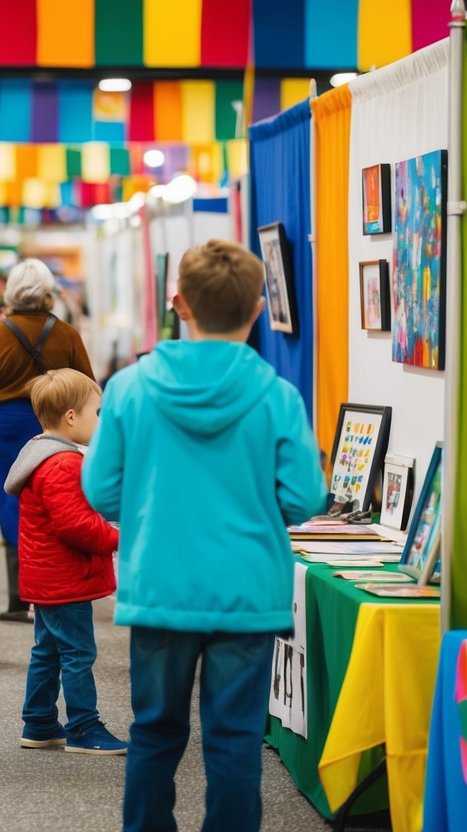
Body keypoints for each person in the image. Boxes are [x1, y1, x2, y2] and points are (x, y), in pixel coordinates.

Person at [80, 239, 329, 831]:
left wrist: (148, 511)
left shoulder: (129, 388)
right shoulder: (276, 395)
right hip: (247, 592)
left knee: (155, 733)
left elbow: (100, 490)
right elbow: (304, 497)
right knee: (235, 739)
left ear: (179, 303)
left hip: (161, 585)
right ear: (257, 309)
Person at [4, 369, 126, 756]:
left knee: (49, 649)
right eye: (97, 412)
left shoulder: (42, 453)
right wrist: (120, 537)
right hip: (64, 576)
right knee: (78, 653)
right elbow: (76, 524)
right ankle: (84, 726)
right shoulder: (63, 464)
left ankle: (39, 722)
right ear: (71, 417)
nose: (100, 421)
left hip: (49, 575)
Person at [0, 259, 95, 623]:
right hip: (55, 423)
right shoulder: (67, 334)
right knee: (58, 500)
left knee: (13, 499)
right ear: (48, 293)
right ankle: (56, 589)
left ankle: (18, 598)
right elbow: (88, 385)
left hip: (5, 424)